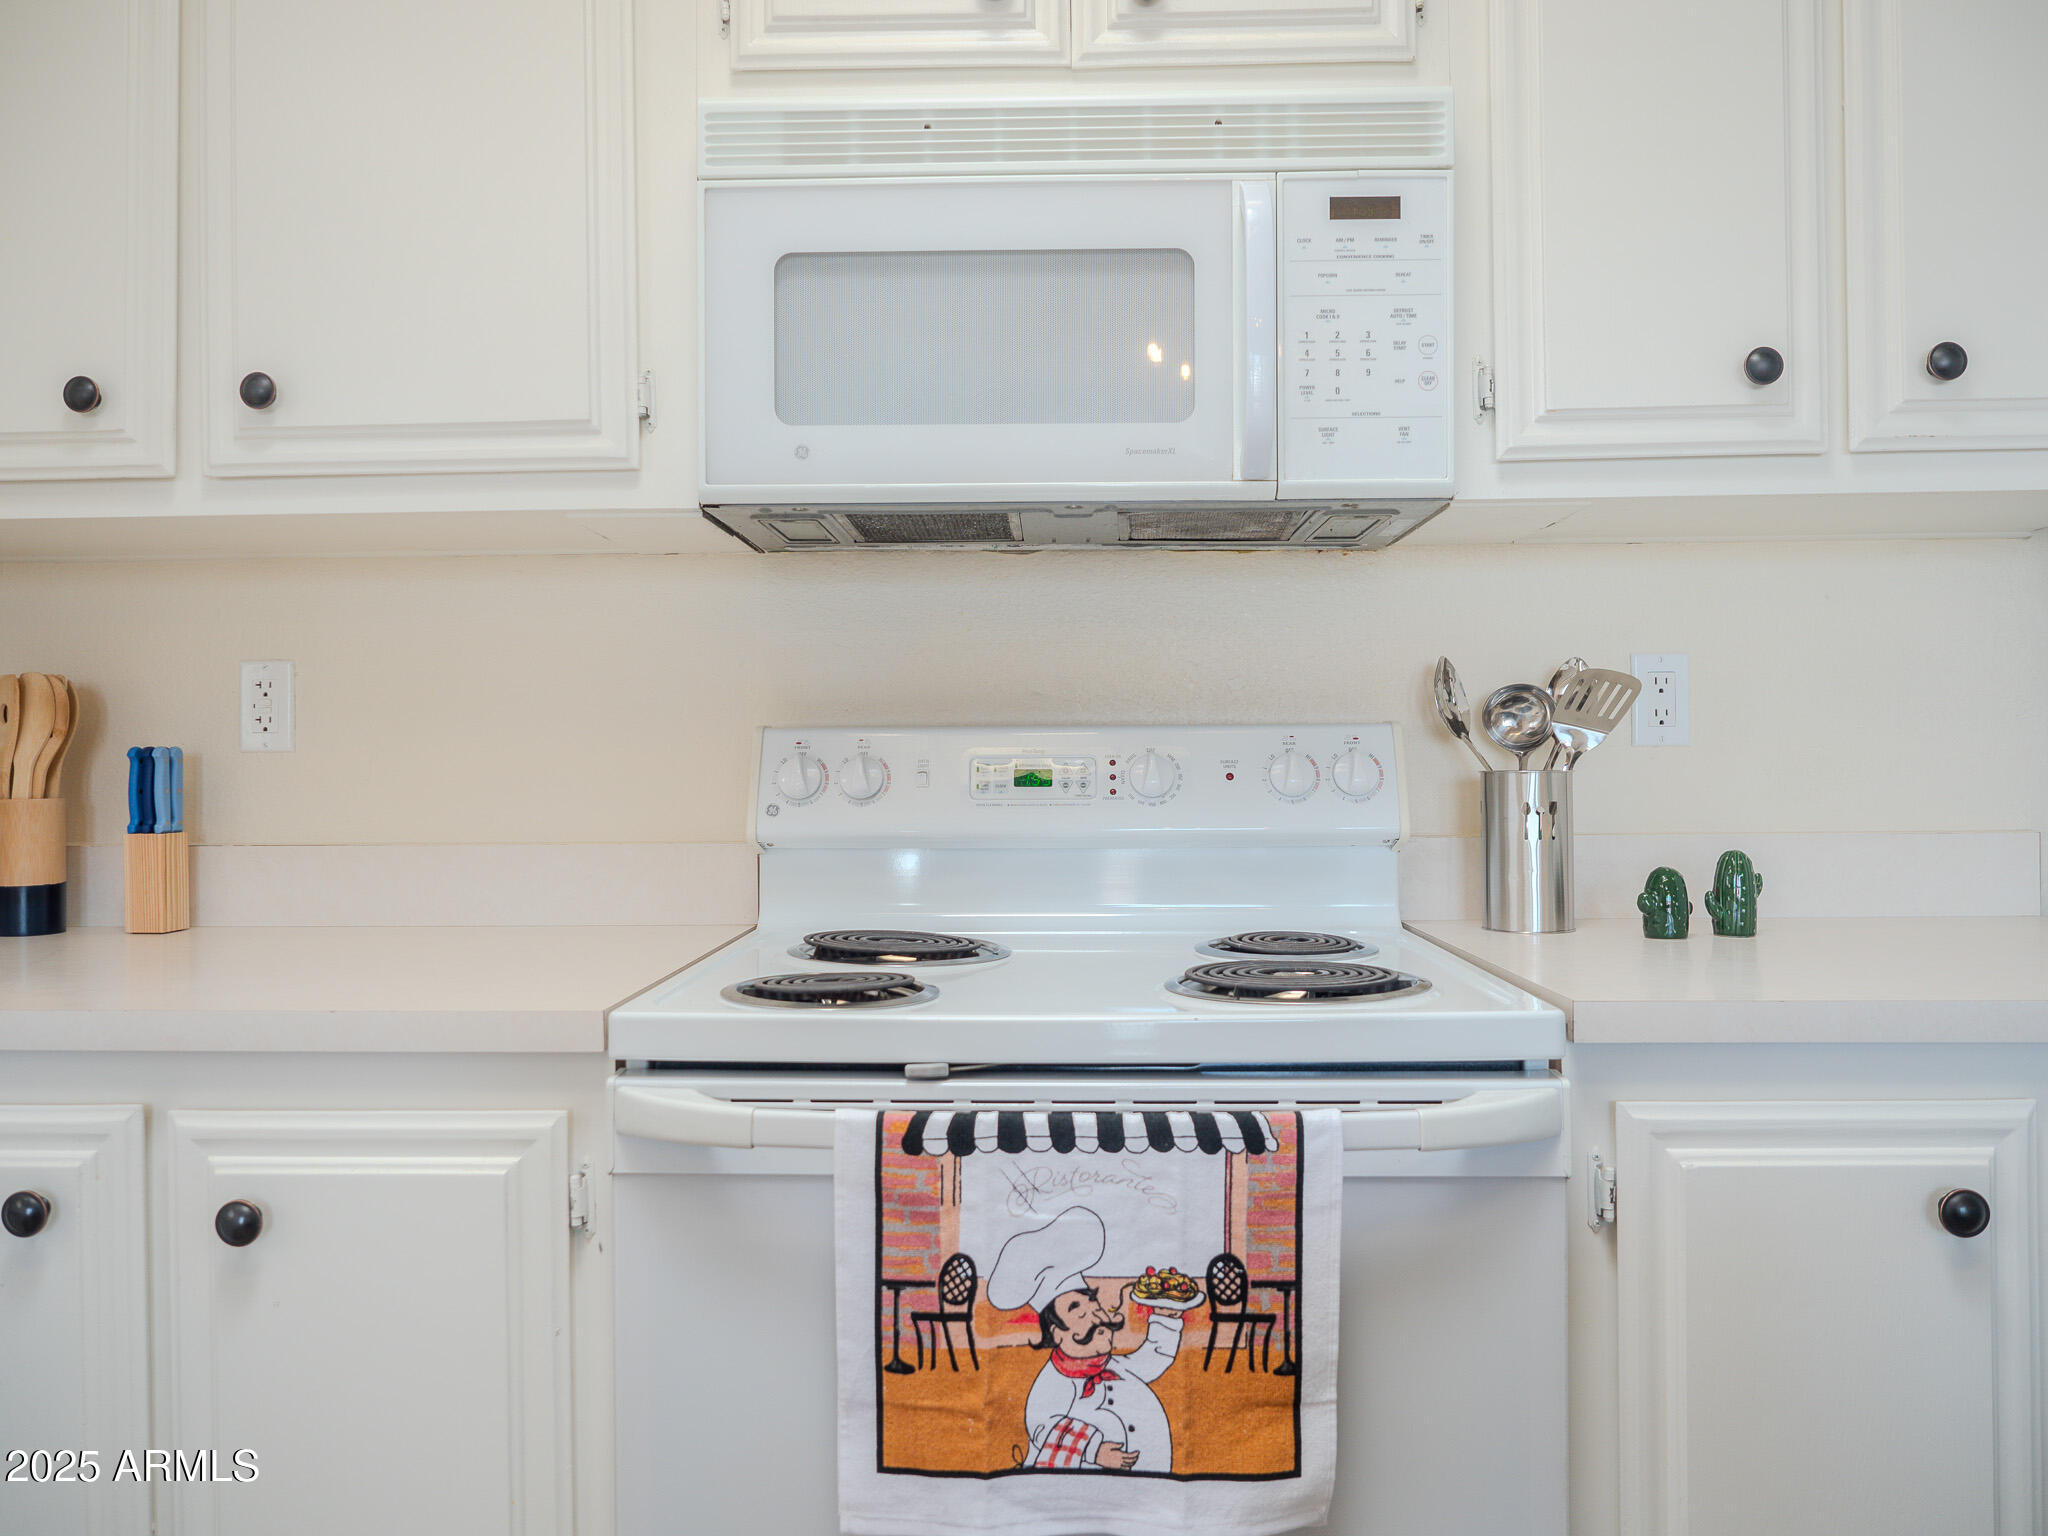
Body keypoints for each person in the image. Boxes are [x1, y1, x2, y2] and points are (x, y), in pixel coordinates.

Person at [986, 1207, 1188, 1473]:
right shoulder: (1054, 1380)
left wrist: (1165, 1319)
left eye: (1092, 1303)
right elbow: (1042, 1426)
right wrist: (1093, 1450)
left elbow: (1150, 1361)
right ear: (1057, 1333)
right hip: (1083, 1484)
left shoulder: (1113, 1366)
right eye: (1075, 1310)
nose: (1093, 1314)